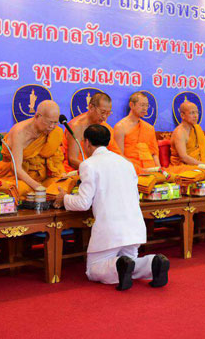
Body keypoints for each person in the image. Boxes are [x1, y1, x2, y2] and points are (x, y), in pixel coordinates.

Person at [54, 124, 169, 291]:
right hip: (134, 227)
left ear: (86, 142)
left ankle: (118, 266)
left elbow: (83, 203)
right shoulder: (126, 163)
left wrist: (64, 198)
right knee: (131, 262)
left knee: (93, 270)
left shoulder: (89, 164)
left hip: (110, 230)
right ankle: (152, 263)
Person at [0, 100, 65, 199]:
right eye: (49, 122)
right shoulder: (20, 133)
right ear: (37, 116)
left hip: (43, 177)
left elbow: (54, 158)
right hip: (20, 178)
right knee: (16, 189)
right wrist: (37, 187)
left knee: (63, 184)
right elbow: (16, 169)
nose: (52, 127)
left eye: (55, 122)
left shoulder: (52, 131)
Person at [63, 92, 122, 171]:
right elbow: (72, 160)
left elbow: (116, 154)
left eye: (108, 113)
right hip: (78, 172)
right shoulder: (76, 127)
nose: (105, 117)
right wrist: (94, 170)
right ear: (91, 107)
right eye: (102, 112)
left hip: (99, 170)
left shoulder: (105, 128)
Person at [114, 92, 161, 174]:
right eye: (142, 105)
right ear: (131, 105)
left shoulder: (149, 128)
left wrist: (159, 170)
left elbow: (154, 154)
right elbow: (119, 156)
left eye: (146, 105)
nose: (145, 108)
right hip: (131, 170)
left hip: (151, 170)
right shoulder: (120, 127)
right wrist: (139, 170)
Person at [169, 101, 205, 172]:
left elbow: (203, 152)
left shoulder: (197, 128)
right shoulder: (180, 132)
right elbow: (184, 158)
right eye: (192, 113)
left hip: (199, 165)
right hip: (184, 167)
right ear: (182, 115)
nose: (195, 116)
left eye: (197, 112)